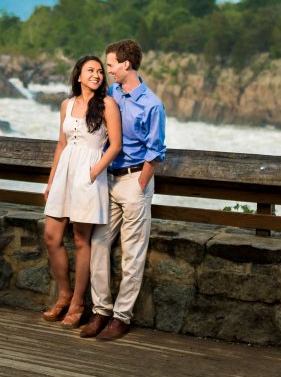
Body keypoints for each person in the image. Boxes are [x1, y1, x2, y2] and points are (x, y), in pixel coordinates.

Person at [80, 39, 166, 340]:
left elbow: (156, 151)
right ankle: (101, 311)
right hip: (109, 180)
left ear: (126, 64)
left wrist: (140, 183)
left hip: (133, 182)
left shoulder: (152, 104)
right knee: (99, 243)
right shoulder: (113, 93)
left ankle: (121, 317)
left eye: (112, 64)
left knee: (132, 253)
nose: (109, 70)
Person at [42, 55, 122, 328]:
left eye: (101, 71)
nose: (97, 75)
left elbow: (115, 145)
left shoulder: (107, 104)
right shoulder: (66, 104)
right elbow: (61, 144)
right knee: (51, 236)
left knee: (80, 240)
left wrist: (93, 171)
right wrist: (51, 182)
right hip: (64, 173)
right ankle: (64, 295)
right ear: (78, 76)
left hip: (89, 175)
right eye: (91, 70)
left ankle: (78, 303)